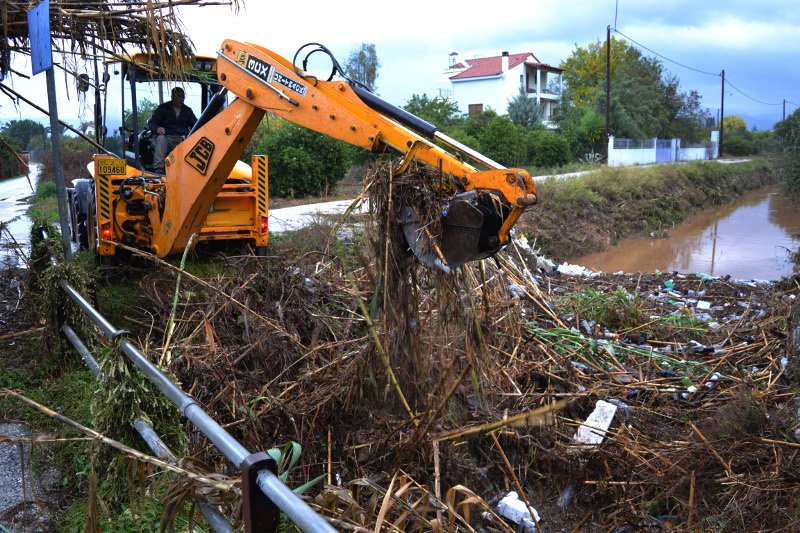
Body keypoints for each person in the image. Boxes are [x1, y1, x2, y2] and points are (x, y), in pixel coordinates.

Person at [147, 87, 197, 173]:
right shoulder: (162, 108)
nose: (181, 99)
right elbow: (151, 123)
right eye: (179, 96)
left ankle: (190, 170)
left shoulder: (187, 111)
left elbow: (196, 125)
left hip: (182, 139)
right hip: (167, 137)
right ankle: (159, 168)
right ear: (172, 96)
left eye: (183, 97)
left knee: (192, 140)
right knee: (161, 139)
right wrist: (157, 128)